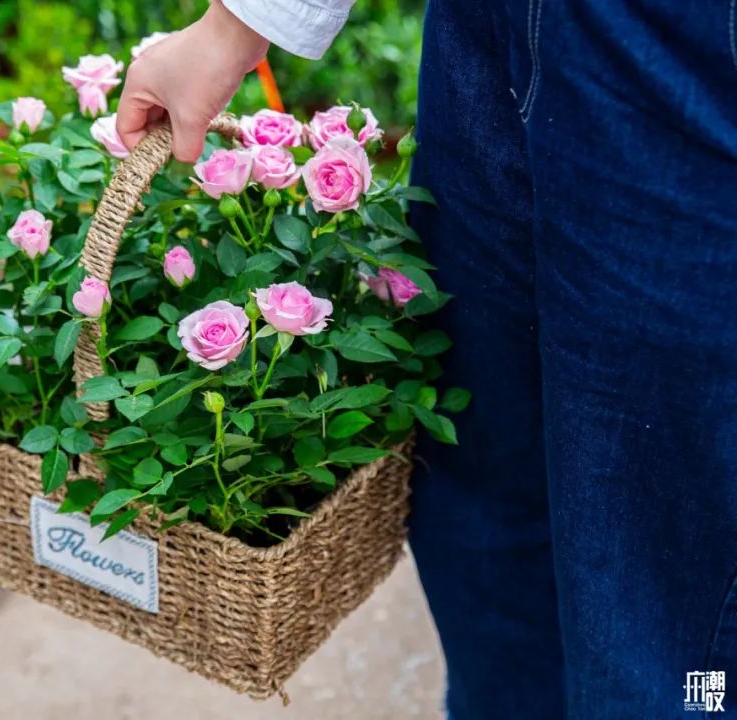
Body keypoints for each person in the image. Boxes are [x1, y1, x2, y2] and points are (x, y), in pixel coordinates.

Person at [117, 2, 737, 718]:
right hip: (489, 25)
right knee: (484, 510)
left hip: (691, 45)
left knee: (663, 587)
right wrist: (235, 26)